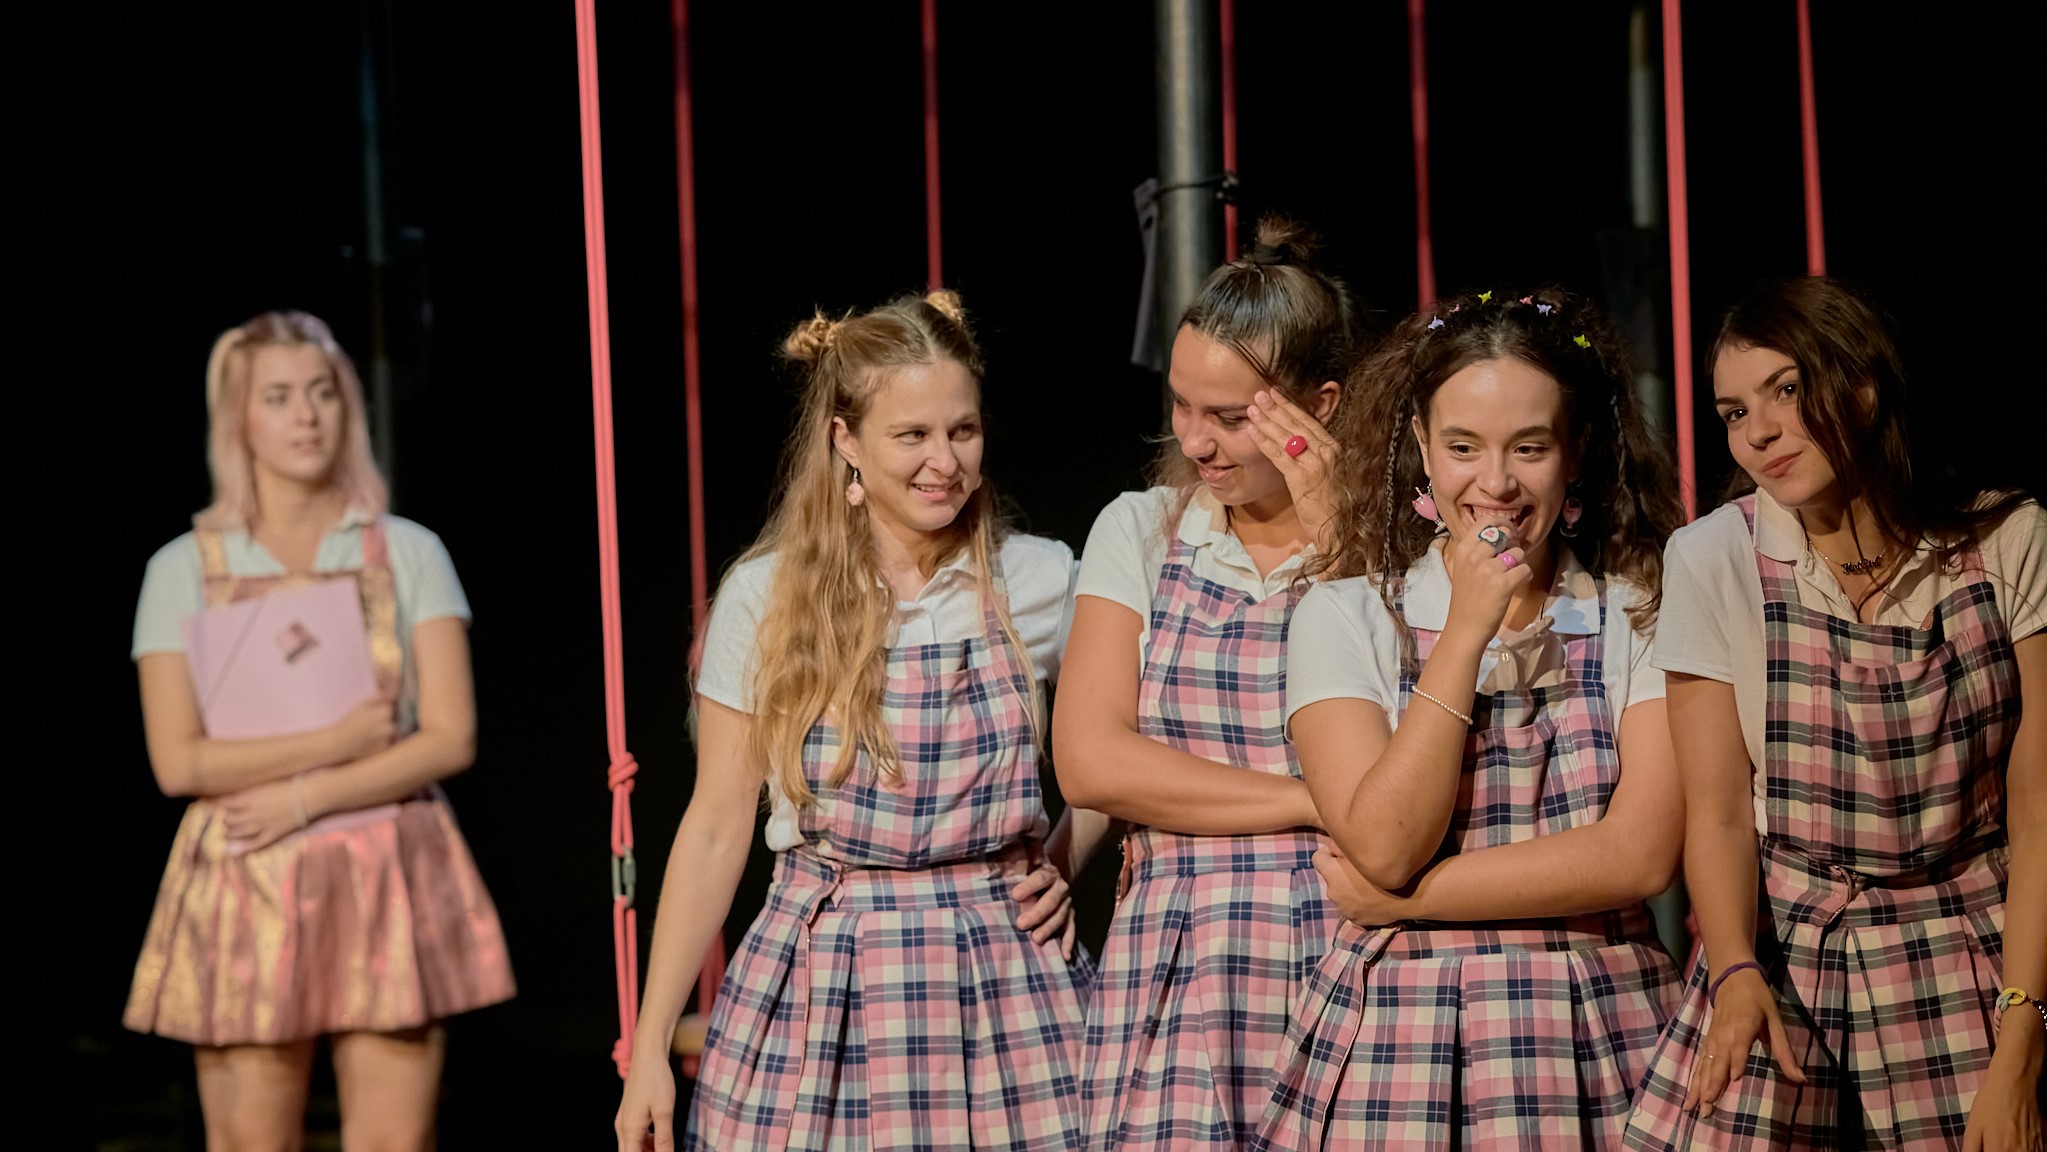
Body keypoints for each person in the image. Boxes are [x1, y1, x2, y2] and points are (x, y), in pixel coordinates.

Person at [614, 291, 1089, 1152]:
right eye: (911, 435)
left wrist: (1062, 855)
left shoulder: (1039, 578)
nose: (944, 460)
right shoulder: (767, 596)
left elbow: (1125, 738)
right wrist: (649, 1047)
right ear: (846, 440)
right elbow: (716, 824)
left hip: (1001, 973)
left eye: (963, 430)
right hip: (827, 974)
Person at [1251, 287, 1687, 1150]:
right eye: (1461, 447)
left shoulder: (1636, 613)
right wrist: (1463, 631)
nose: (1494, 483)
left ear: (1575, 450)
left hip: (1598, 1033)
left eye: (1528, 447)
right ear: (1420, 446)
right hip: (1400, 1044)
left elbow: (1639, 855)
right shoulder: (1344, 615)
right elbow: (1385, 843)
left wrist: (1403, 901)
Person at [1623, 277, 2045, 1151]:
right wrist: (1732, 967)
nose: (1758, 431)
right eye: (1732, 412)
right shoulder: (1713, 556)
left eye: (1784, 389)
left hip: (1969, 942)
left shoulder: (2004, 540)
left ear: (1861, 387)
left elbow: (2039, 811)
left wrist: (2020, 1041)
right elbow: (1717, 811)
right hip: (1786, 941)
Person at [126, 310, 514, 1149]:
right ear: (239, 419)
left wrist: (305, 797)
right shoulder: (181, 568)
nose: (306, 416)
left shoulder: (408, 552)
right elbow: (178, 761)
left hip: (386, 866)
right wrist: (334, 743)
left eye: (323, 393)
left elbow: (450, 737)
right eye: (278, 397)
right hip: (247, 870)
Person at [1054, 216, 1361, 1149]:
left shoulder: (1390, 554)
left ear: (1319, 407)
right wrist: (1315, 801)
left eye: (1230, 418)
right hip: (1184, 952)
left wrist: (1339, 544)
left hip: (1350, 938)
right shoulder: (1144, 531)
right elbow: (1093, 762)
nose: (1195, 440)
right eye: (1182, 405)